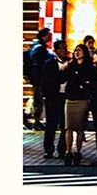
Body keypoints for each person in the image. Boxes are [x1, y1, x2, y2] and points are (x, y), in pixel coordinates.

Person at [30, 32, 64, 160]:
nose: (64, 50)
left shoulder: (68, 62)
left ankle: (62, 149)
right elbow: (48, 81)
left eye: (65, 48)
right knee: (51, 125)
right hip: (53, 97)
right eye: (61, 48)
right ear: (56, 50)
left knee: (64, 125)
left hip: (64, 97)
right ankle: (49, 150)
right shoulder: (49, 63)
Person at [61, 44, 96, 167]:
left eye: (79, 50)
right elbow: (63, 78)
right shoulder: (71, 65)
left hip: (82, 99)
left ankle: (78, 151)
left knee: (80, 127)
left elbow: (89, 82)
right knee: (68, 127)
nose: (77, 52)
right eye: (76, 50)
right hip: (70, 98)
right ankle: (68, 151)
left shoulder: (89, 66)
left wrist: (84, 84)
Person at [26, 28, 52, 128]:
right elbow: (38, 64)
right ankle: (35, 120)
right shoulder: (39, 48)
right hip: (38, 78)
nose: (50, 36)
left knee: (37, 99)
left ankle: (31, 116)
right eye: (48, 35)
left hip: (37, 78)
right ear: (43, 36)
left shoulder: (37, 46)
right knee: (38, 100)